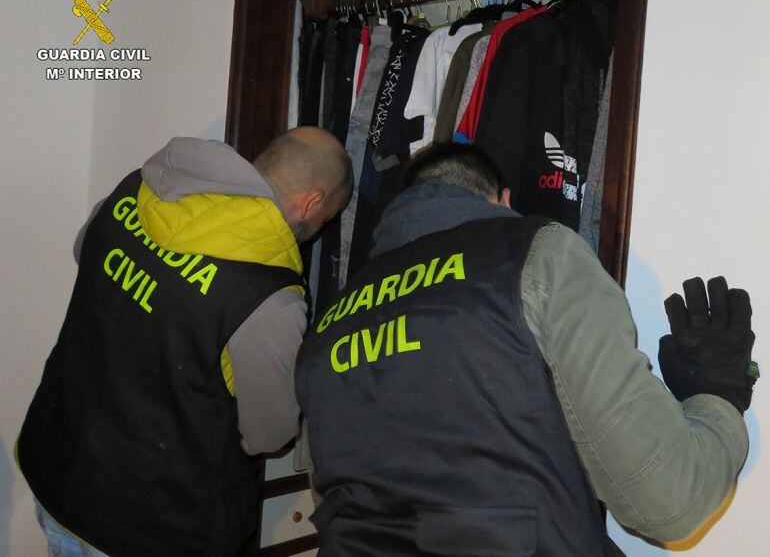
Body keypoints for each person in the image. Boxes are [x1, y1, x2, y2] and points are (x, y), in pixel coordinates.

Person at [295, 143, 757, 556]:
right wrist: (717, 394)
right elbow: (668, 502)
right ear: (504, 200)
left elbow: (333, 491)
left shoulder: (328, 320)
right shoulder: (539, 256)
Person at [17, 127, 353, 556]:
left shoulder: (136, 191)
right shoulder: (268, 296)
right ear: (311, 202)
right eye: (326, 219)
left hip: (59, 474)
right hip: (150, 527)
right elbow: (269, 434)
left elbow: (87, 254)